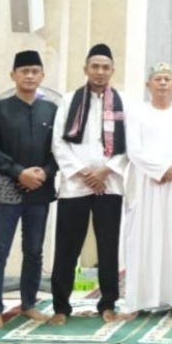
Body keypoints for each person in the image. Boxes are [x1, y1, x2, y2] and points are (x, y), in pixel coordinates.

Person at [0, 50, 58, 331]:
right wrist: (18, 172)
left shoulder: (51, 110)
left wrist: (44, 173)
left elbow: (59, 150)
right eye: (24, 71)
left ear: (42, 76)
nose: (30, 76)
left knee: (34, 251)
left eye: (35, 71)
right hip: (6, 190)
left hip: (40, 189)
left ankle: (29, 304)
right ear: (13, 75)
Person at [49, 43, 129, 325]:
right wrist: (84, 172)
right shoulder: (69, 100)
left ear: (112, 70)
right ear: (85, 69)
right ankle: (61, 306)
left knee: (108, 246)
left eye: (105, 67)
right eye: (95, 66)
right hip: (75, 185)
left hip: (110, 184)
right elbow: (58, 142)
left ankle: (107, 304)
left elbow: (130, 146)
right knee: (68, 246)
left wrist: (106, 171)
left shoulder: (123, 102)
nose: (100, 72)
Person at [122, 63, 172, 318]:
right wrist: (159, 170)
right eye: (157, 79)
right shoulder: (137, 113)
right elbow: (134, 149)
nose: (162, 83)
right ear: (148, 84)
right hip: (145, 184)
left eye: (167, 79)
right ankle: (136, 303)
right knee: (141, 239)